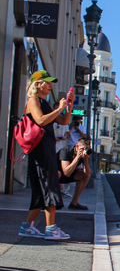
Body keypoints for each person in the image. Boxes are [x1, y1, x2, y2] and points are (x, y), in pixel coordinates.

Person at [18, 70, 74, 240]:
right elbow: (41, 120)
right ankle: (51, 229)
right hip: (41, 150)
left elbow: (63, 121)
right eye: (47, 82)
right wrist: (59, 108)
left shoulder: (44, 102)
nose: (50, 86)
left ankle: (26, 227)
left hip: (47, 148)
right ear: (38, 84)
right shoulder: (33, 101)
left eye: (51, 83)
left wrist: (68, 106)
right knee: (50, 186)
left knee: (41, 191)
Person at [57, 138, 92, 210]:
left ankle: (74, 203)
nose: (84, 150)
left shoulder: (84, 154)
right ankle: (51, 201)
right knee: (58, 173)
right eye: (83, 148)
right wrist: (77, 157)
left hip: (67, 174)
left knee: (84, 177)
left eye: (87, 148)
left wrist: (86, 159)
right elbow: (66, 172)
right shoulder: (66, 151)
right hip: (54, 174)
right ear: (77, 147)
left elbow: (88, 175)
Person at [54, 122, 72, 198]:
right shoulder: (51, 122)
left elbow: (67, 133)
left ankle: (62, 189)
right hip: (51, 148)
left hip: (60, 149)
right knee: (57, 170)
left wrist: (65, 137)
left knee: (59, 170)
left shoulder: (63, 124)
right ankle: (61, 189)